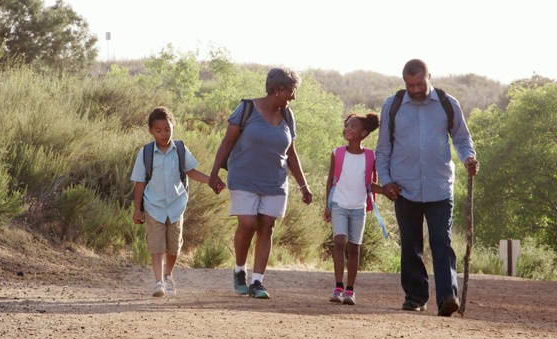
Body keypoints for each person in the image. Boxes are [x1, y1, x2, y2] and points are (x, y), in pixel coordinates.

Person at [375, 59, 479, 316]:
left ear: (429, 77)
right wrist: (386, 180)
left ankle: (447, 297)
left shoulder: (447, 103)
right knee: (410, 244)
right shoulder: (393, 105)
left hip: (440, 186)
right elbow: (383, 149)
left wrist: (468, 157)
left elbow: (462, 139)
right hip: (404, 187)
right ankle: (415, 296)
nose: (416, 89)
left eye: (420, 83)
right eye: (410, 85)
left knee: (441, 242)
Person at [209, 67, 313, 299]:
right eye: (291, 91)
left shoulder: (288, 115)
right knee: (247, 223)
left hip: (275, 182)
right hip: (244, 178)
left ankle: (257, 282)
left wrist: (303, 186)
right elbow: (227, 142)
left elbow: (292, 154)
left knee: (267, 226)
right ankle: (239, 271)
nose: (293, 97)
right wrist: (214, 173)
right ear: (277, 90)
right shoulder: (247, 108)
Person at [131, 106, 213, 297]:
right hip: (153, 206)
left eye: (167, 129)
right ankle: (158, 282)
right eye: (158, 130)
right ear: (150, 131)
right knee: (156, 246)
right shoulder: (146, 153)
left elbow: (191, 171)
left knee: (174, 247)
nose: (163, 134)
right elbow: (140, 182)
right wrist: (137, 209)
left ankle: (168, 275)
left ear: (173, 127)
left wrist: (210, 180)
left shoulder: (181, 150)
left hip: (176, 206)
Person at [324, 113, 384, 305]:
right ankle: (338, 286)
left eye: (353, 127)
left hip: (358, 207)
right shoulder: (337, 153)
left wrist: (386, 191)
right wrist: (327, 205)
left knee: (354, 248)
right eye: (347, 125)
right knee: (340, 241)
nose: (348, 129)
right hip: (339, 204)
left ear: (364, 133)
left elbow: (371, 183)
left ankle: (350, 290)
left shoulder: (370, 156)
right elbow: (330, 181)